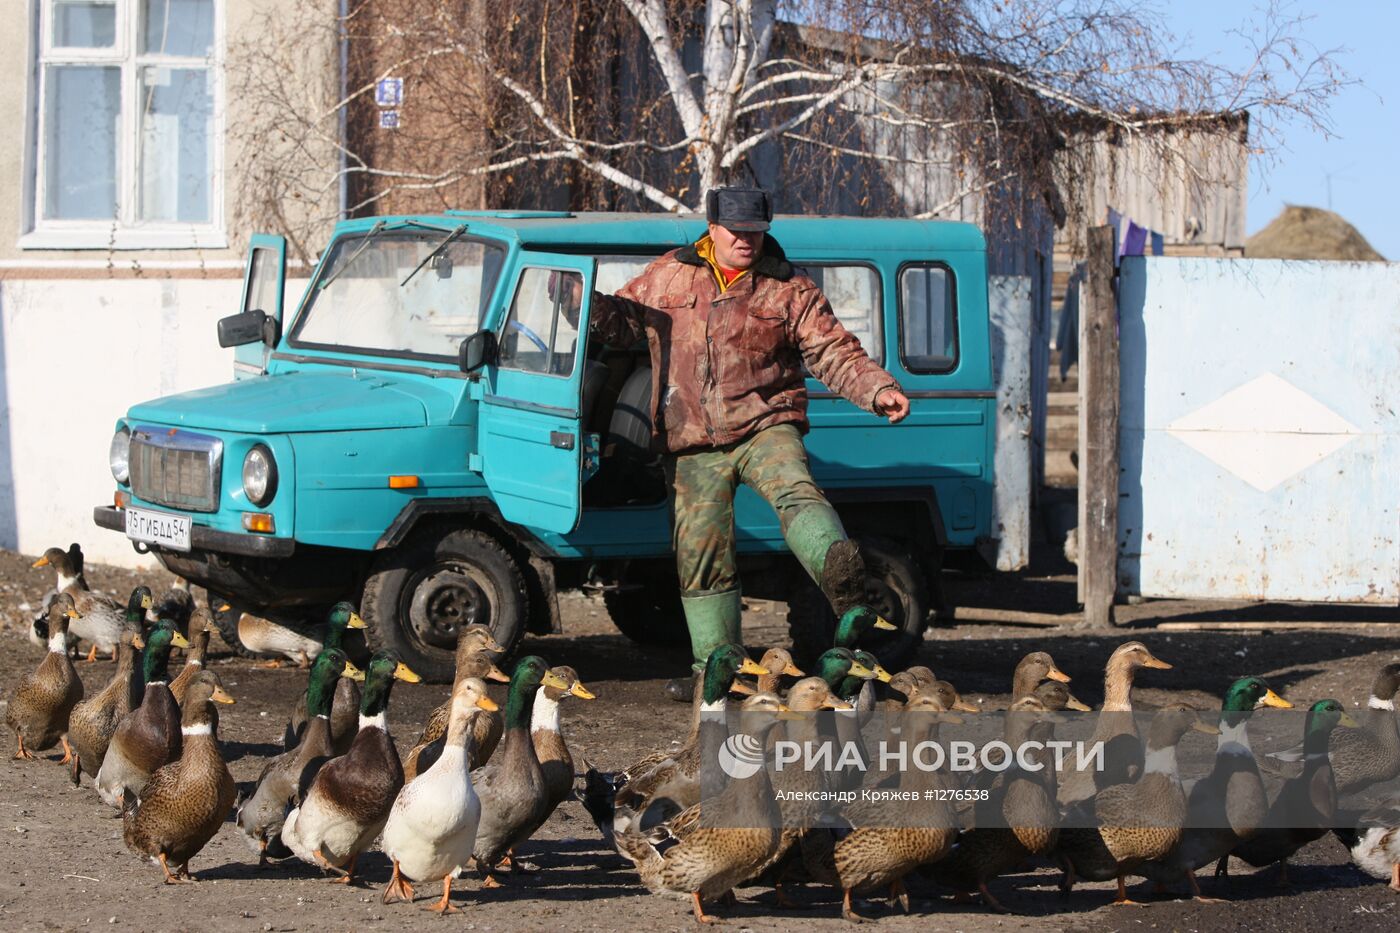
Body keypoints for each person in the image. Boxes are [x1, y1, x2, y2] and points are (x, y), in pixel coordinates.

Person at [586, 187, 910, 697]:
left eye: (755, 230)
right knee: (700, 550)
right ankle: (719, 673)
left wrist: (877, 388)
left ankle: (842, 578)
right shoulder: (668, 273)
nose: (746, 239)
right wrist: (579, 303)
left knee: (795, 489)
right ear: (711, 228)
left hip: (765, 423)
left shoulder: (789, 289)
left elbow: (834, 351)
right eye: (736, 230)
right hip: (692, 438)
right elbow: (624, 325)